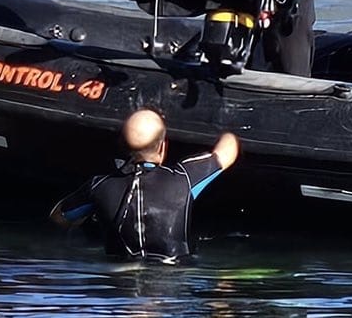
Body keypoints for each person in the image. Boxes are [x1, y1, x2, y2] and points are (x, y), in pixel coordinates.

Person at [53, 109, 240, 264]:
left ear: (123, 145)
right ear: (162, 147)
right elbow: (228, 151)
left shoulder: (99, 186)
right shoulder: (185, 178)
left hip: (119, 282)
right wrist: (228, 129)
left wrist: (96, 215)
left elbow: (59, 216)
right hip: (171, 278)